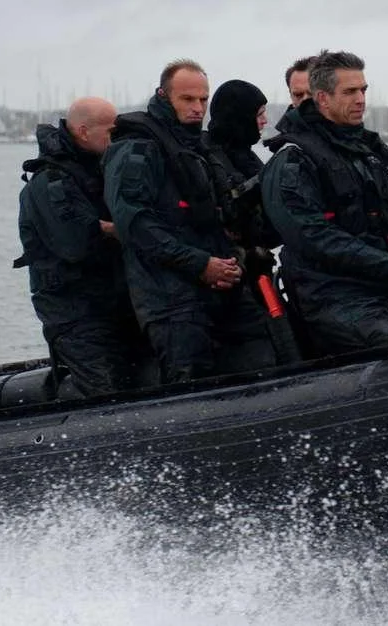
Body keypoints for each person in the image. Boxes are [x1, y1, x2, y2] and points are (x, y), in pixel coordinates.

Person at [103, 60, 276, 383]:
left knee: (265, 360)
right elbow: (135, 225)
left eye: (203, 100)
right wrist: (201, 264)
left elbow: (218, 217)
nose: (198, 108)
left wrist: (230, 261)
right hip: (171, 299)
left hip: (221, 287)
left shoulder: (198, 148)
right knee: (189, 381)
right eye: (188, 99)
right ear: (163, 95)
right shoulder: (136, 149)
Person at [261, 50, 388, 353]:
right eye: (349, 92)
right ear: (322, 98)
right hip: (331, 294)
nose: (360, 99)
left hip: (383, 284)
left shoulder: (365, 153)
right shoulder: (294, 160)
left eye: (363, 90)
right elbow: (312, 236)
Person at [15, 97, 151, 397]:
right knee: (105, 392)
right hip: (75, 313)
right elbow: (77, 241)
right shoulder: (49, 182)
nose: (116, 141)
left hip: (116, 304)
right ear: (84, 131)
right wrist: (116, 229)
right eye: (110, 133)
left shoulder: (103, 171)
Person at [204, 79, 279, 280]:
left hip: (257, 269)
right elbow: (225, 214)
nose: (265, 121)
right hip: (228, 272)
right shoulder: (206, 157)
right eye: (259, 114)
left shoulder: (246, 156)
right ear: (241, 118)